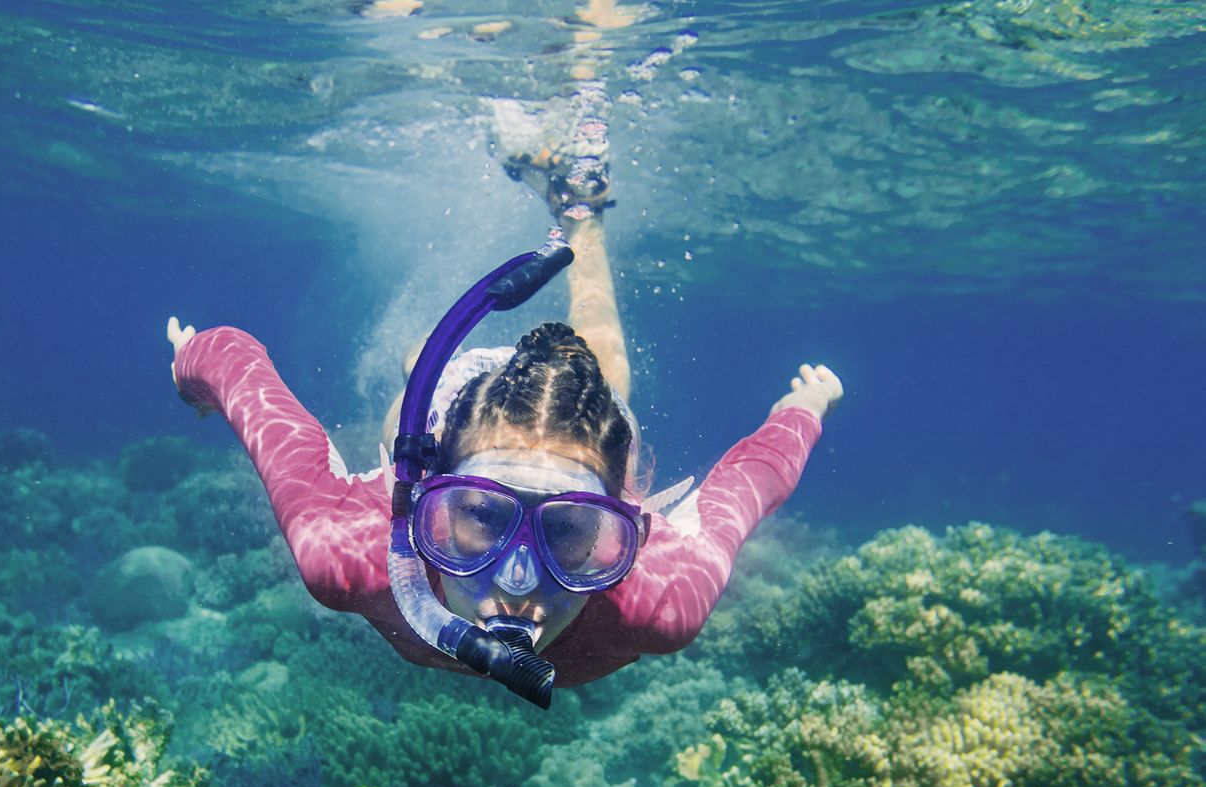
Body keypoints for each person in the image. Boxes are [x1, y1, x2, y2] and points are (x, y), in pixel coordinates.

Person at [167, 153, 841, 704]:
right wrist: (190, 372)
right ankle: (431, 364)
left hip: (577, 423)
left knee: (605, 373)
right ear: (421, 493)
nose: (518, 581)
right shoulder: (353, 552)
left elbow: (748, 486)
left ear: (627, 518)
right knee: (418, 383)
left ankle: (582, 214)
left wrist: (807, 407)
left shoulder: (658, 602)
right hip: (453, 400)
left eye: (572, 533)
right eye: (479, 518)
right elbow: (236, 368)